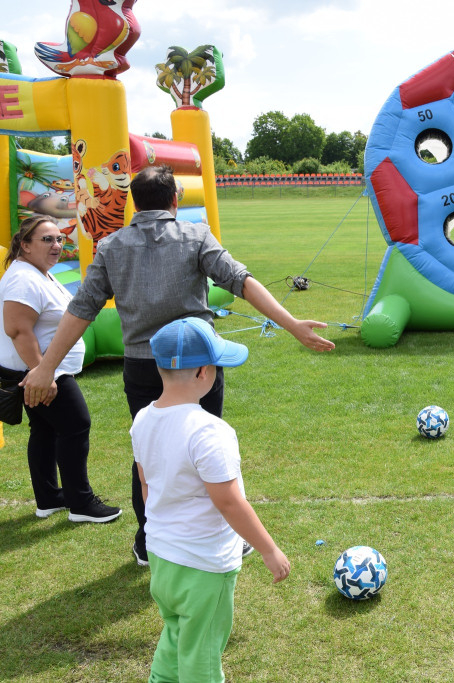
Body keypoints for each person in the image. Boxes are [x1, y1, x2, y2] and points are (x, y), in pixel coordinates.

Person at [21, 165, 334, 565]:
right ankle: (203, 541)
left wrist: (46, 366)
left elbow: (81, 309)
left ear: (136, 201)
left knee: (148, 457)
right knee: (205, 452)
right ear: (175, 201)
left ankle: (149, 543)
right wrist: (292, 325)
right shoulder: (194, 235)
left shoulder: (112, 246)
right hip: (197, 369)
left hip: (143, 369)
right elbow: (241, 281)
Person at [134, 317, 290, 682]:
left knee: (177, 634)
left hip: (162, 556)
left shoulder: (143, 419)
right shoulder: (210, 431)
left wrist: (159, 529)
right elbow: (230, 502)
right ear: (205, 372)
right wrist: (268, 549)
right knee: (202, 653)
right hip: (202, 565)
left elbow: (146, 484)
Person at [0, 215, 121, 523]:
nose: (56, 246)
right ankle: (81, 503)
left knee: (45, 429)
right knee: (75, 425)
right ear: (25, 245)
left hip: (43, 370)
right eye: (47, 240)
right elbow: (18, 330)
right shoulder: (23, 278)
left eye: (59, 239)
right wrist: (41, 372)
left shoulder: (36, 272)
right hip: (41, 371)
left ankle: (50, 497)